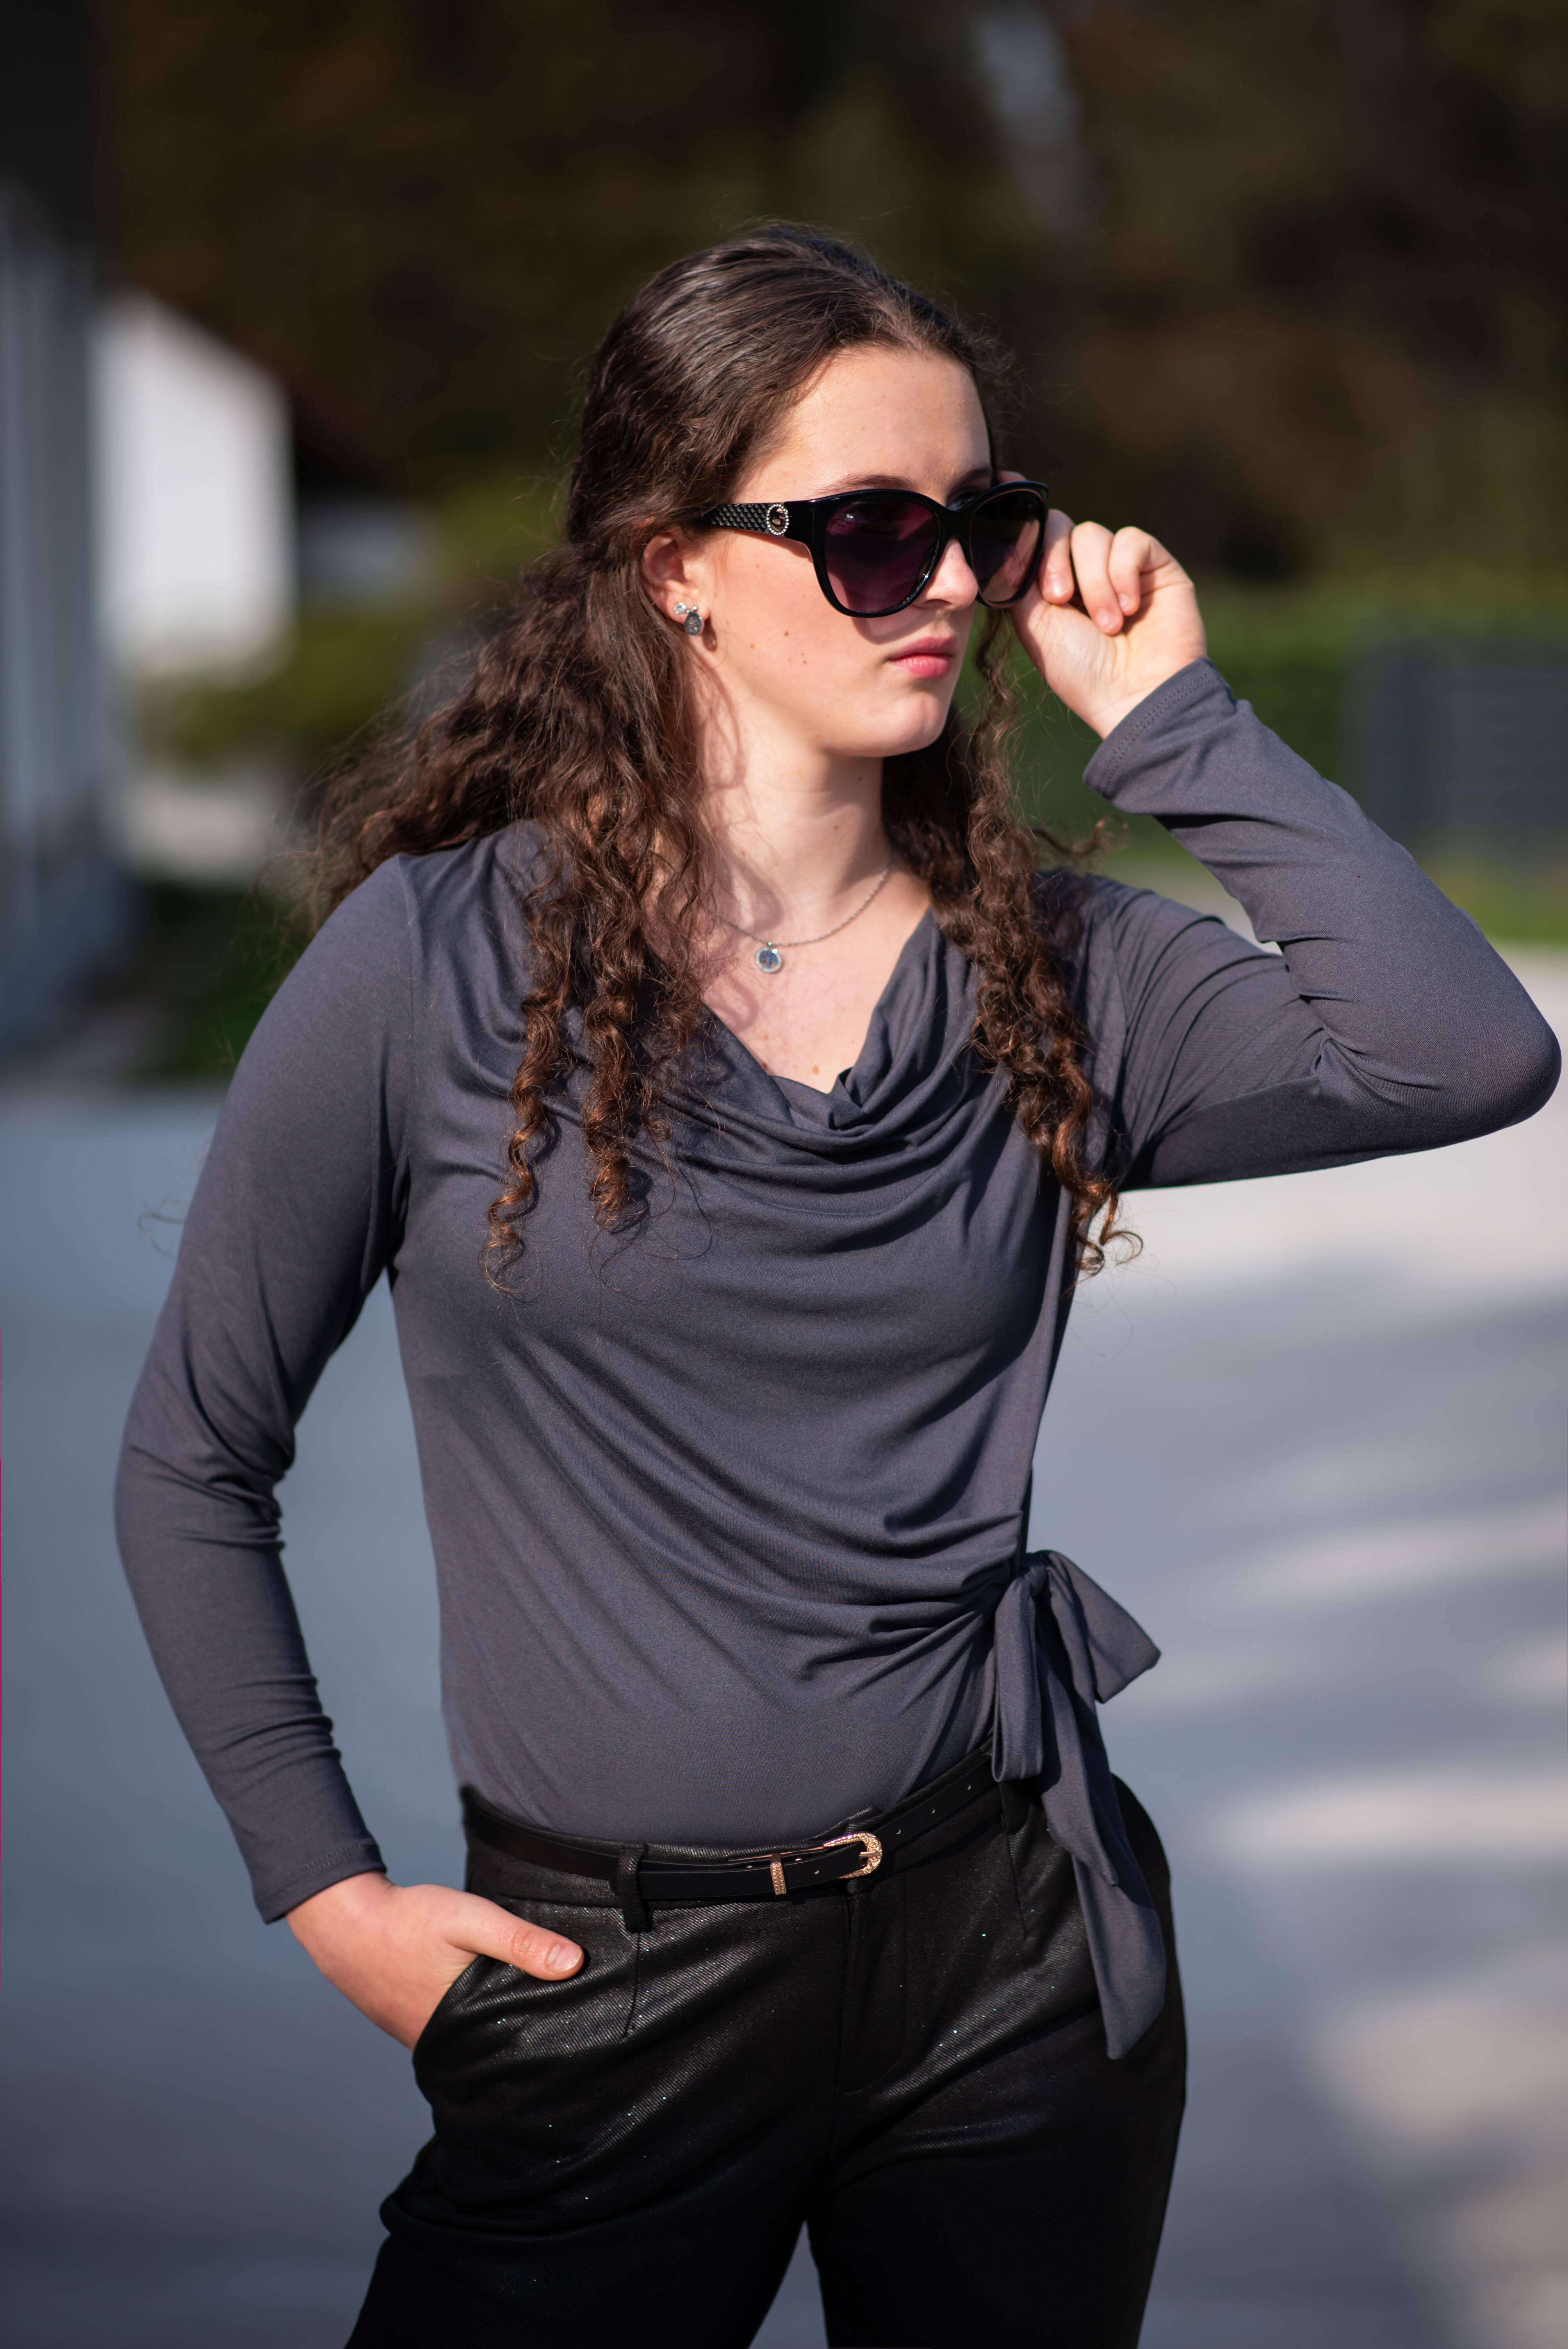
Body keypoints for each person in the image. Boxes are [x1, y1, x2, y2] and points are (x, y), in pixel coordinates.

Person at [116, 226, 1559, 2349]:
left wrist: (1178, 720)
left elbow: (1464, 1053)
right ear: (675, 565)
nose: (953, 581)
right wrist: (331, 1895)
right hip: (609, 1985)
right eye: (876, 531)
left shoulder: (1057, 971)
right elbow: (191, 1460)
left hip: (1010, 1964)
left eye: (983, 520)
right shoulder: (431, 968)